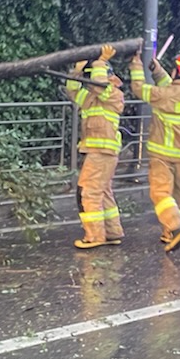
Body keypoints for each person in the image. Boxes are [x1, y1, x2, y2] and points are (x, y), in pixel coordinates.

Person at [129, 49, 180, 252]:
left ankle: (176, 229)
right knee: (179, 194)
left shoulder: (164, 95)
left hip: (162, 154)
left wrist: (136, 64)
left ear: (177, 72)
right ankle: (170, 232)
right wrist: (157, 70)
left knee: (160, 193)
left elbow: (138, 88)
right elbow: (170, 88)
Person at [65, 45, 125, 249]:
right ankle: (112, 232)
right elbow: (73, 91)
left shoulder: (112, 93)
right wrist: (77, 71)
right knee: (103, 191)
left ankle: (94, 236)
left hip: (102, 152)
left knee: (88, 191)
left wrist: (101, 61)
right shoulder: (91, 97)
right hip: (100, 152)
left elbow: (99, 85)